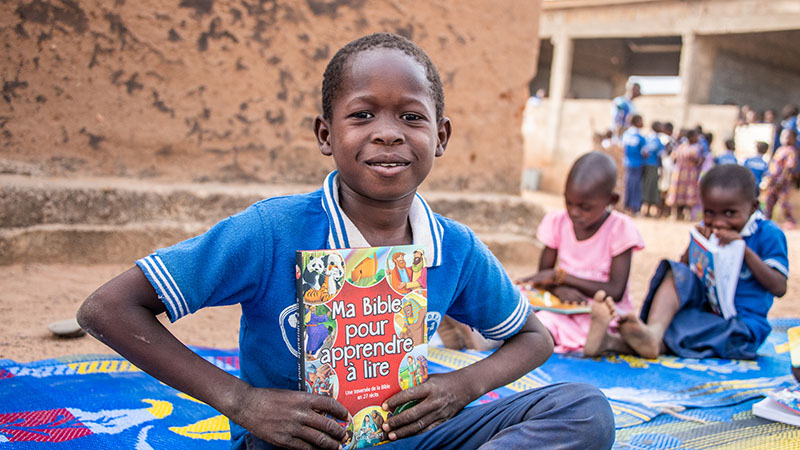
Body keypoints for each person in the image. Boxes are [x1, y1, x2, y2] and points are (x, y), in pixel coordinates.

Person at [77, 33, 614, 450]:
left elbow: (534, 338)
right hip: (293, 442)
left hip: (407, 435)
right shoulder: (273, 231)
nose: (388, 132)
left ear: (441, 137)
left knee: (585, 409)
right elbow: (108, 308)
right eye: (362, 115)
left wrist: (461, 389)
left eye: (411, 116)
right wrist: (241, 401)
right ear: (325, 134)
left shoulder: (455, 247)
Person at [586, 164, 788, 360]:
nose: (718, 222)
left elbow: (779, 287)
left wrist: (744, 250)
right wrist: (697, 244)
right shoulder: (708, 228)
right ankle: (653, 333)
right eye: (709, 213)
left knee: (700, 333)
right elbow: (683, 269)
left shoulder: (767, 234)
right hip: (703, 313)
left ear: (753, 207)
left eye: (729, 213)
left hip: (743, 325)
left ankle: (616, 343)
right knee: (675, 273)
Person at [518, 152, 644, 354]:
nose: (575, 212)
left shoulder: (620, 229)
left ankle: (606, 340)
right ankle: (479, 337)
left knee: (548, 329)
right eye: (569, 203)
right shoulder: (557, 222)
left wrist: (562, 278)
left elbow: (615, 290)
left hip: (601, 308)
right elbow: (544, 276)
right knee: (530, 318)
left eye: (585, 207)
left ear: (611, 200)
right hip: (562, 303)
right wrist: (559, 290)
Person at [764, 128, 798, 229]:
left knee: (783, 202)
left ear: (793, 139)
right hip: (773, 181)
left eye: (788, 137)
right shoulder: (780, 149)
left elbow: (788, 167)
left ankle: (790, 221)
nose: (784, 139)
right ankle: (767, 219)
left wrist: (781, 180)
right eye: (783, 136)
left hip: (782, 182)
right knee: (770, 200)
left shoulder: (791, 151)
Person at [666, 129, 703, 220]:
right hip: (690, 174)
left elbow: (673, 158)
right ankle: (688, 215)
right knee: (689, 194)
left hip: (679, 172)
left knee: (678, 193)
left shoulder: (680, 147)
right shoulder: (695, 149)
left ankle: (676, 214)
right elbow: (698, 161)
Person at [621, 114, 646, 215]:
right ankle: (635, 207)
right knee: (636, 186)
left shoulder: (626, 134)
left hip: (627, 163)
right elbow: (644, 152)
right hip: (637, 164)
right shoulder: (639, 136)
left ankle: (627, 205)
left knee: (628, 184)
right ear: (636, 122)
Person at [641, 121, 664, 217]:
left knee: (646, 185)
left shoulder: (646, 138)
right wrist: (661, 167)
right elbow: (659, 155)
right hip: (653, 166)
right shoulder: (657, 140)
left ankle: (645, 209)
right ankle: (648, 208)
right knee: (652, 186)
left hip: (645, 165)